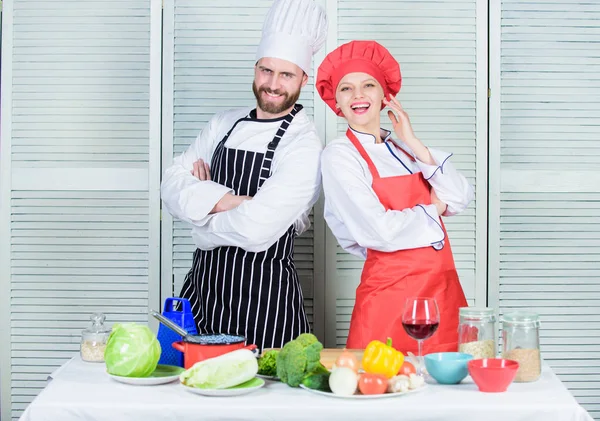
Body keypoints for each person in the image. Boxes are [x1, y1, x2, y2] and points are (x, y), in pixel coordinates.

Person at [161, 0, 328, 352]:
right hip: (202, 294)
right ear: (255, 68)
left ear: (303, 79)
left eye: (286, 75)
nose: (273, 84)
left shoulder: (304, 143)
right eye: (266, 71)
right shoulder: (223, 124)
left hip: (265, 304)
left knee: (263, 403)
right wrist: (237, 202)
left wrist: (201, 210)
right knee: (191, 392)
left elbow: (256, 230)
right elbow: (171, 186)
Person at [315, 40, 474, 354]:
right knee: (381, 391)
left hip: (442, 293)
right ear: (337, 101)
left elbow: (458, 197)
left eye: (368, 85)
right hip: (389, 296)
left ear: (384, 95)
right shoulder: (340, 155)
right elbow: (378, 231)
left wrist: (413, 141)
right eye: (346, 89)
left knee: (445, 395)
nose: (358, 95)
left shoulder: (402, 146)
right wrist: (434, 208)